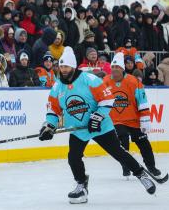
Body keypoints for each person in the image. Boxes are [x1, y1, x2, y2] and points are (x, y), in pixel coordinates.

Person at [38, 46, 156, 204]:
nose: (63, 69)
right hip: (79, 130)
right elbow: (53, 109)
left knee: (118, 152)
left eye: (66, 66)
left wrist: (97, 117)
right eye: (61, 66)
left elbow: (107, 100)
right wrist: (49, 126)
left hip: (100, 126)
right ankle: (81, 185)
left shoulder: (90, 79)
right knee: (73, 157)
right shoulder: (57, 86)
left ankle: (141, 174)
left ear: (73, 66)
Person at [103, 52, 167, 180]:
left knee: (144, 143)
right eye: (113, 67)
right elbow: (99, 99)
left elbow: (142, 101)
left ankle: (151, 167)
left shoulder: (133, 82)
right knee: (122, 140)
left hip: (134, 120)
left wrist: (145, 118)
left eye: (117, 68)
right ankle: (126, 166)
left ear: (122, 69)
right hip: (116, 120)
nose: (115, 70)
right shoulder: (105, 81)